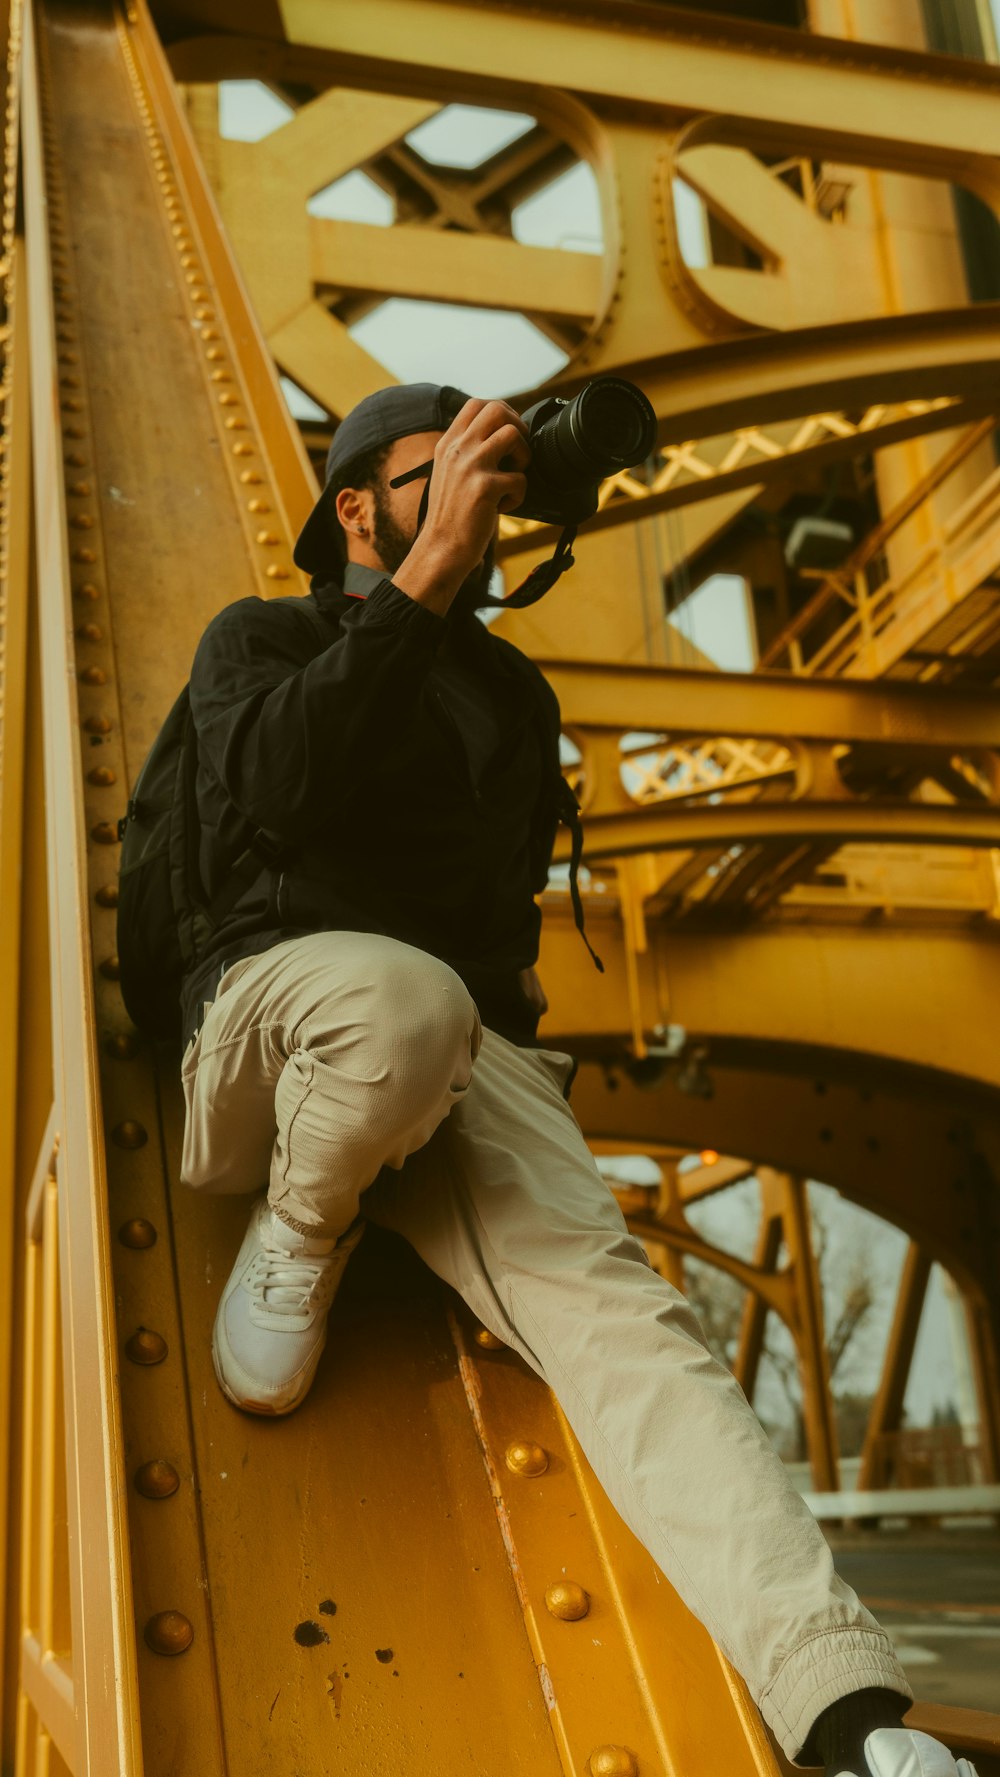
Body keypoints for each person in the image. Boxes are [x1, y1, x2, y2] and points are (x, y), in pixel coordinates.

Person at [178, 383, 975, 1777]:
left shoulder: (507, 693)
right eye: (446, 466)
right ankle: (298, 1229)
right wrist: (424, 583)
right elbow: (276, 788)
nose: (488, 483)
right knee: (403, 1004)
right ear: (357, 509)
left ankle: (854, 1722)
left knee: (630, 1322)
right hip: (269, 1012)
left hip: (447, 1049)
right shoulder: (264, 634)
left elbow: (488, 936)